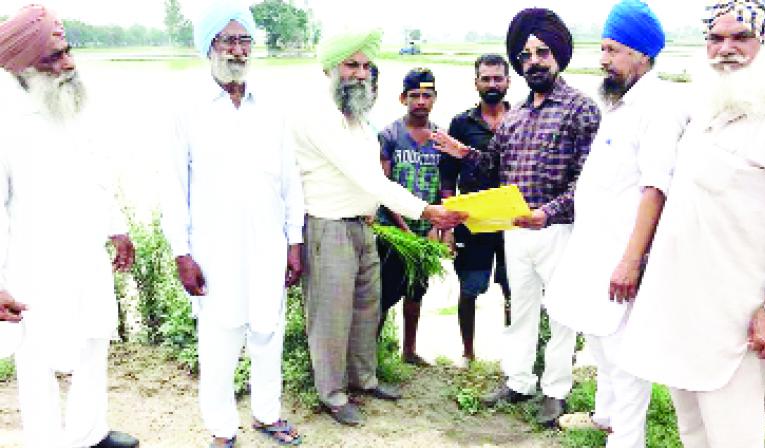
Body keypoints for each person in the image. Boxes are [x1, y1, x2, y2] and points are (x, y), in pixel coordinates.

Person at [619, 1, 765, 446]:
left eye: (741, 38)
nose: (726, 50)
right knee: (693, 432)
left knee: (734, 436)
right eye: (716, 39)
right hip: (684, 310)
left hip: (740, 319)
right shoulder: (704, 110)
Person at [432, 8, 601, 425]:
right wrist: (464, 153)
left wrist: (548, 212)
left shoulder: (581, 110)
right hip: (515, 232)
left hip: (559, 230)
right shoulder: (516, 117)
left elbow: (589, 181)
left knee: (562, 314)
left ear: (558, 54)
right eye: (525, 56)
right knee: (521, 309)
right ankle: (519, 381)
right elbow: (492, 168)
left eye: (542, 52)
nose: (534, 61)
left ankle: (556, 391)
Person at [289, 29, 466, 426]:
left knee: (366, 310)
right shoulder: (318, 115)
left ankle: (364, 380)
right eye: (352, 65)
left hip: (363, 227)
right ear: (330, 68)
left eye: (367, 66)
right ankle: (332, 395)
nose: (360, 73)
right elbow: (371, 179)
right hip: (328, 228)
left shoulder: (356, 118)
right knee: (331, 317)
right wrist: (428, 211)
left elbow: (371, 179)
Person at [160, 4, 304, 447]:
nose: (239, 49)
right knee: (219, 344)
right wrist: (181, 253)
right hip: (214, 250)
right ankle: (222, 430)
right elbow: (172, 186)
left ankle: (266, 414)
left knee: (267, 334)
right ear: (210, 47)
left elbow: (289, 179)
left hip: (268, 246)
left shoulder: (272, 107)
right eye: (229, 40)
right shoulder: (185, 108)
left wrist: (294, 242)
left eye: (245, 40)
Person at [543, 1, 684, 446]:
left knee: (624, 356)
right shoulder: (621, 101)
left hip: (623, 255)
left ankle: (627, 438)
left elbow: (655, 187)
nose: (603, 59)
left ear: (641, 53)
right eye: (602, 49)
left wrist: (632, 259)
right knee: (600, 339)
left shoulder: (659, 104)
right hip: (594, 249)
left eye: (612, 49)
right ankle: (606, 418)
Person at [0, 5, 138, 447]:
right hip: (32, 265)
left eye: (67, 51)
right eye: (52, 58)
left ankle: (89, 433)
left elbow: (98, 172)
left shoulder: (73, 103)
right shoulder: (7, 122)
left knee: (94, 340)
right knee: (36, 360)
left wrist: (117, 228)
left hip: (86, 255)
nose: (68, 63)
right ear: (21, 67)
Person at [439, 54, 513, 366]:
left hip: (514, 220)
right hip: (473, 220)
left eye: (498, 78)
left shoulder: (522, 117)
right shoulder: (461, 123)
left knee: (514, 291)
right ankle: (468, 353)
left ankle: (514, 357)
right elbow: (447, 176)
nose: (492, 84)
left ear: (509, 81)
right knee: (470, 288)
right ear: (476, 83)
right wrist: (447, 224)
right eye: (486, 78)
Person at [377, 67, 444, 366]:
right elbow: (383, 185)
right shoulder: (389, 135)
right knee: (384, 294)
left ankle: (409, 350)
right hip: (393, 229)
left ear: (434, 99)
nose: (420, 101)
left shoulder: (440, 138)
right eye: (414, 95)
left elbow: (444, 186)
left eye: (426, 95)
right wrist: (403, 228)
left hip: (424, 230)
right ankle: (371, 352)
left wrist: (435, 228)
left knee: (416, 293)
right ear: (403, 98)